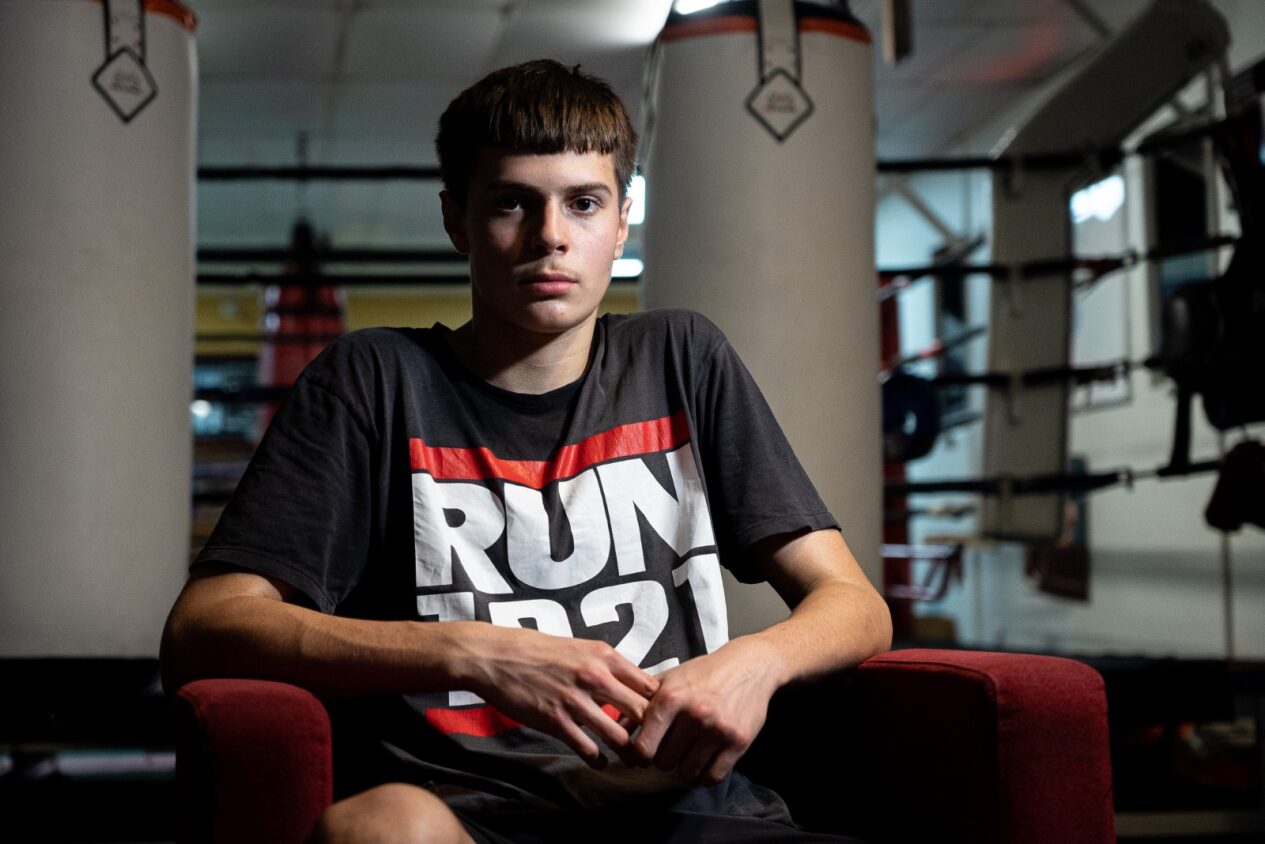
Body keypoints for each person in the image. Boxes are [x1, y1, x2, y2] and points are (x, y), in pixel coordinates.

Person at [161, 59, 892, 844]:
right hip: (463, 807)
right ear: (457, 220)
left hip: (680, 806)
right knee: (378, 830)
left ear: (621, 220)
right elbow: (204, 628)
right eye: (512, 202)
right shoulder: (374, 379)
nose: (550, 237)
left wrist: (753, 662)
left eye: (583, 203)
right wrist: (472, 652)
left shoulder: (681, 357)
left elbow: (854, 606)